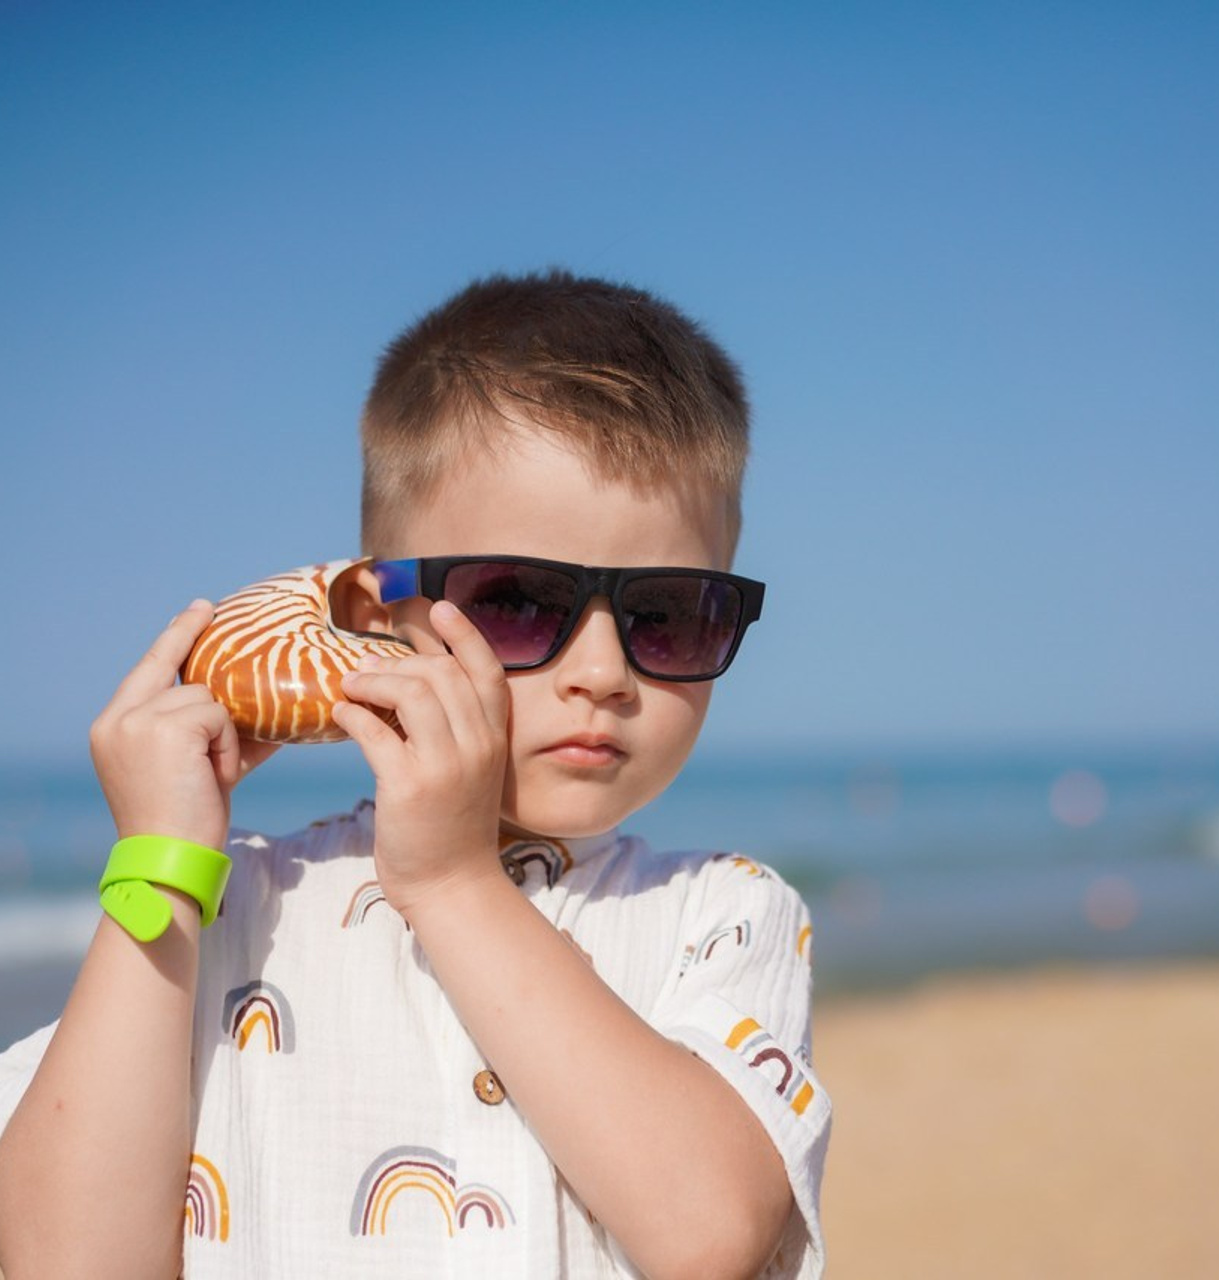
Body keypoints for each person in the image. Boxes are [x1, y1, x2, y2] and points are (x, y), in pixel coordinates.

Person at [0, 271, 830, 1278]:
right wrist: (163, 861)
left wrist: (451, 881)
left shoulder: (719, 913)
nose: (603, 673)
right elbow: (60, 1259)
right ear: (371, 615)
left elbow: (707, 1232)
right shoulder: (238, 909)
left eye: (666, 612)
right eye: (518, 600)